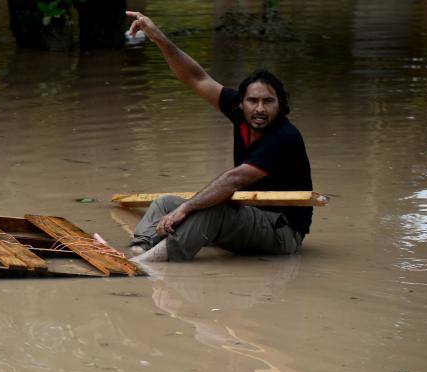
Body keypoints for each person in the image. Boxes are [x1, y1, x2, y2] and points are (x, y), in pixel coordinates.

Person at [124, 11, 313, 262]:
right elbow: (195, 77)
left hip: (282, 233)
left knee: (212, 207)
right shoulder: (239, 111)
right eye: (252, 101)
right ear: (241, 104)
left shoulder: (284, 136)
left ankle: (148, 264)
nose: (259, 109)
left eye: (268, 102)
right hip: (248, 218)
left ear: (280, 105)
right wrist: (158, 37)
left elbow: (234, 180)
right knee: (164, 203)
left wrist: (186, 208)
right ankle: (139, 248)